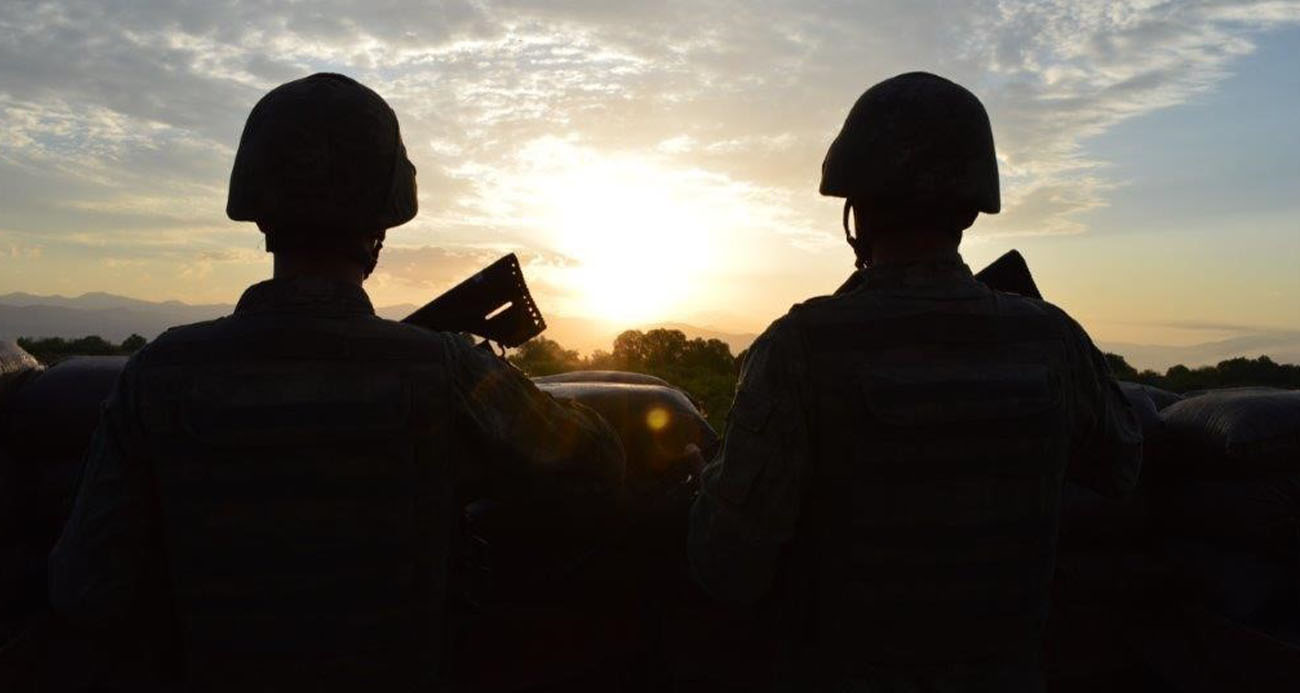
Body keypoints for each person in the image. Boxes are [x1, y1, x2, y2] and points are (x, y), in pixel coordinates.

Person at [48, 73, 624, 691]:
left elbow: (85, 589)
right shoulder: (446, 370)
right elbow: (597, 464)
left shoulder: (156, 374)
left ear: (260, 213)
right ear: (381, 222)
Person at [688, 72, 1142, 691]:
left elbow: (729, 569)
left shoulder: (799, 348)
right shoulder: (1052, 340)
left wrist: (707, 481)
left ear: (857, 208)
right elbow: (1123, 465)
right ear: (969, 210)